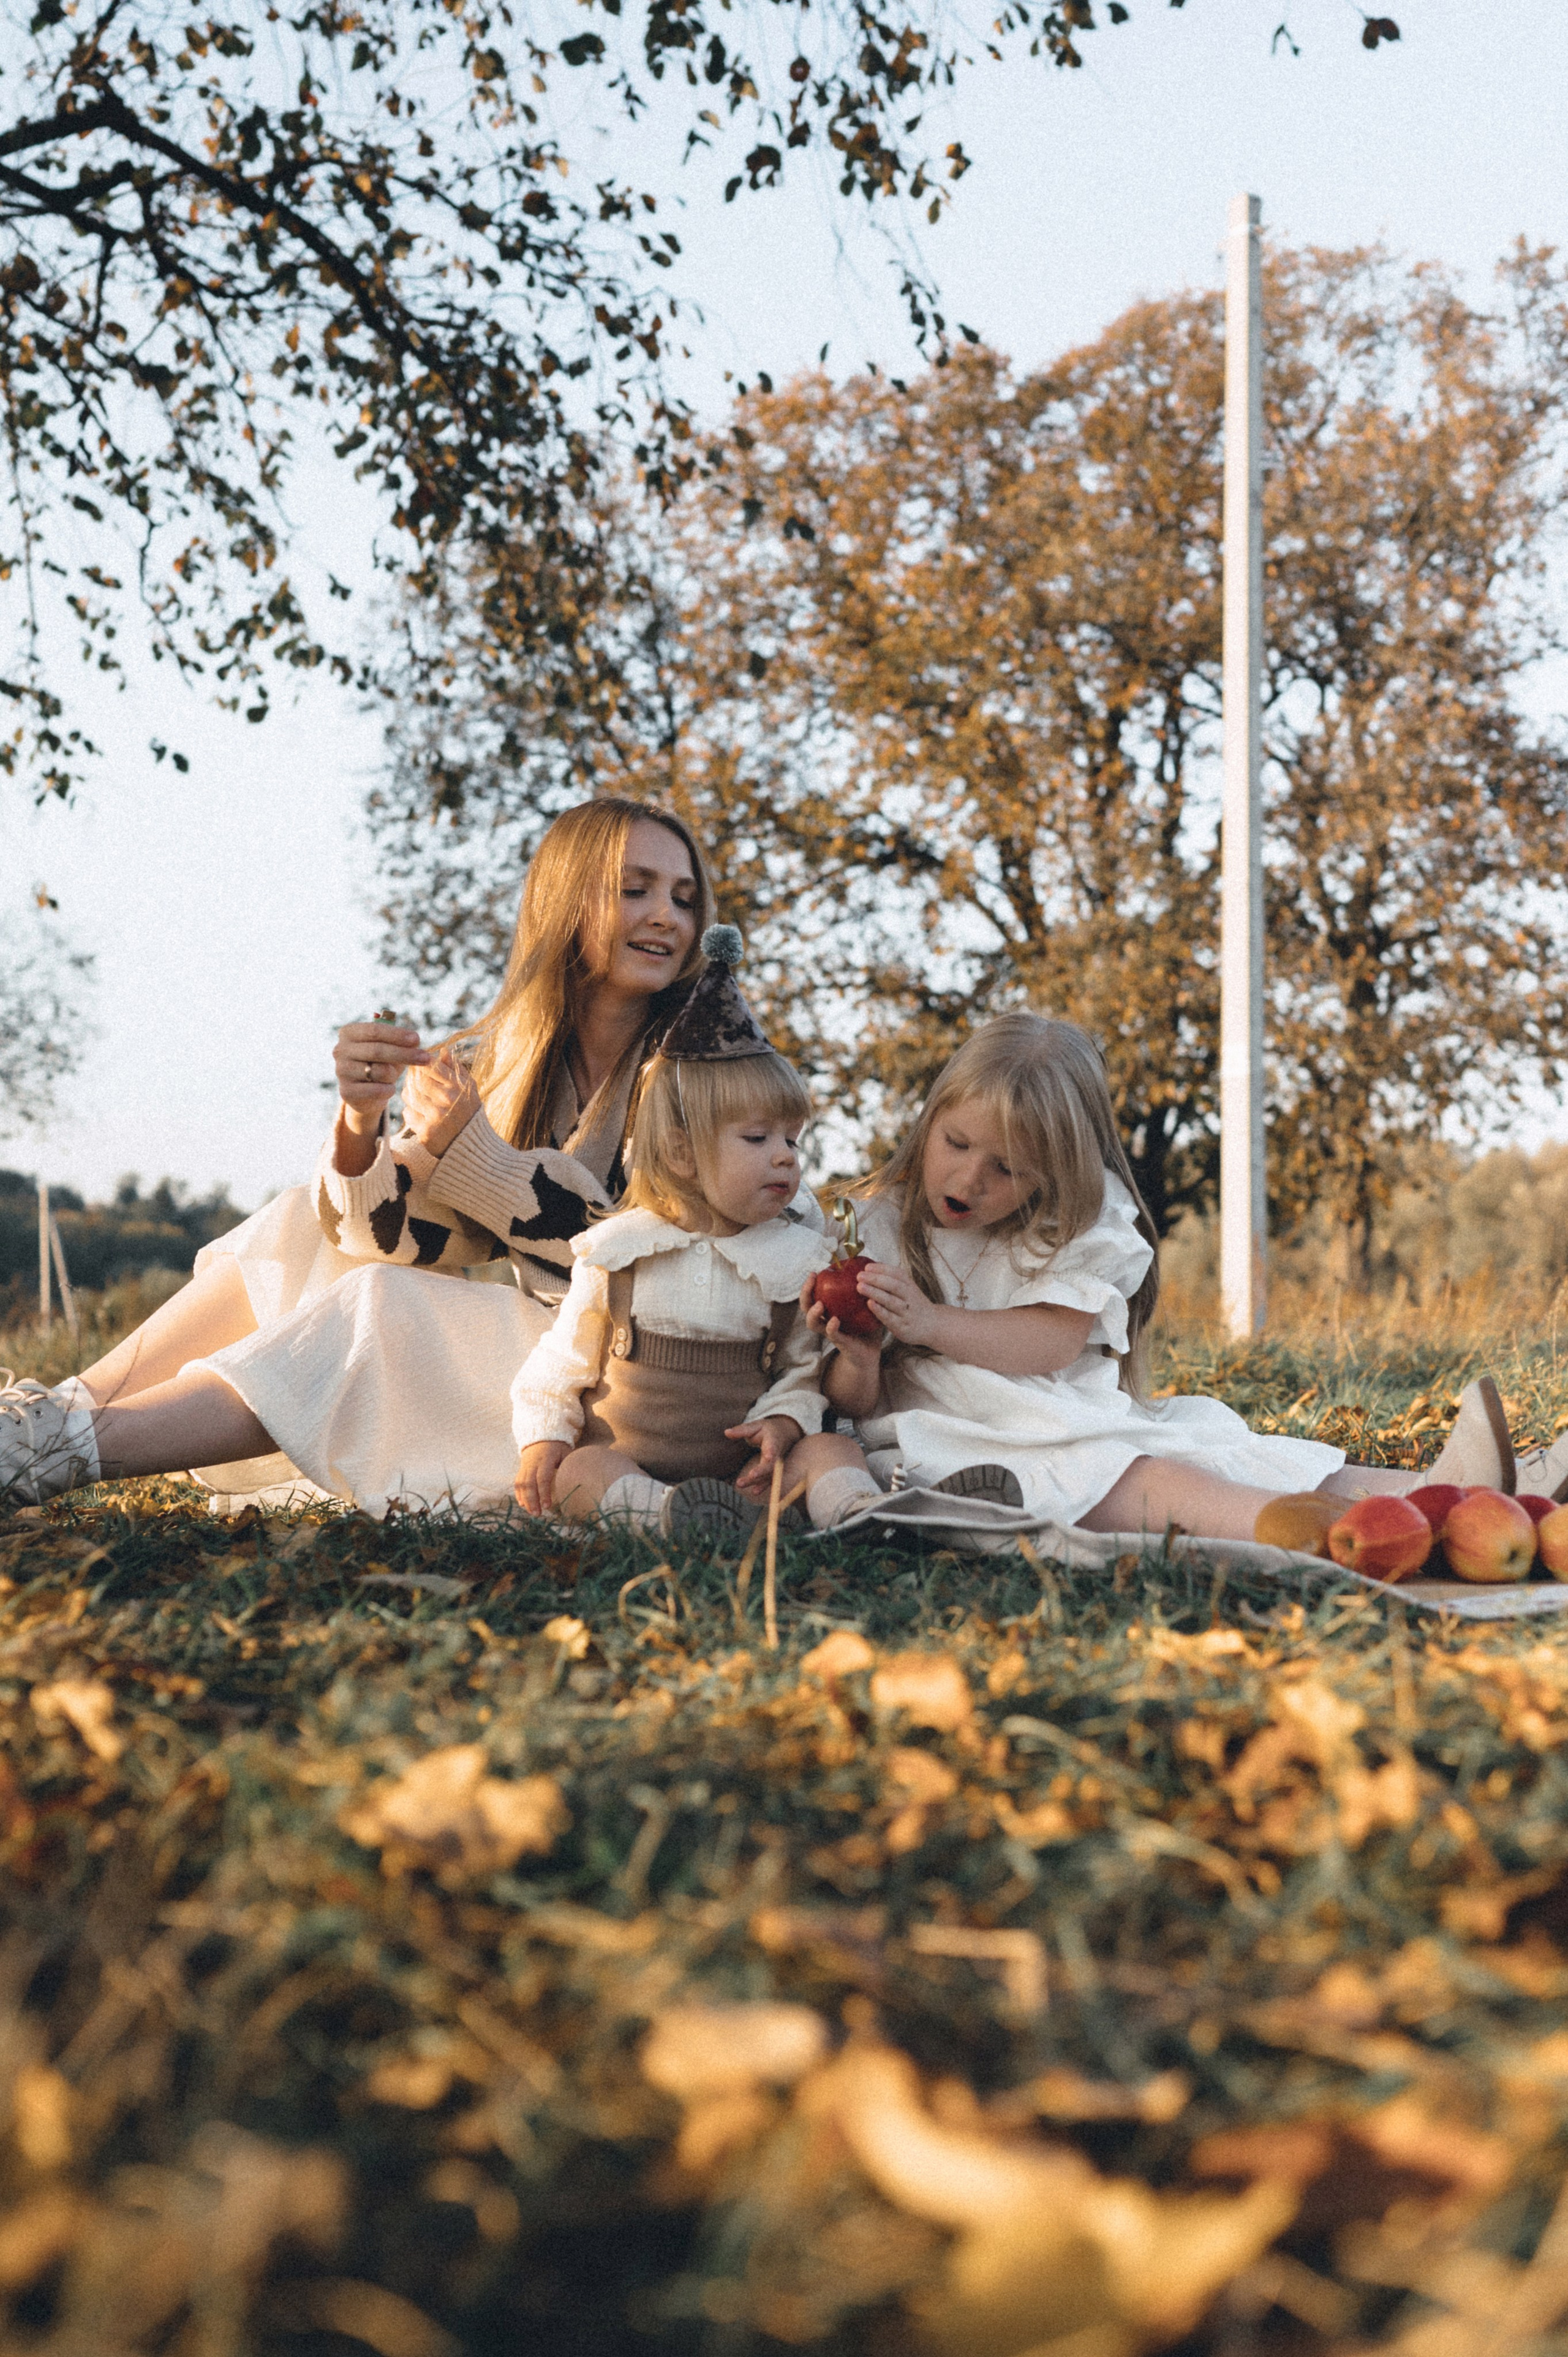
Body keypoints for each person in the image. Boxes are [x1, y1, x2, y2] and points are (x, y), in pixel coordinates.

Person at [1, 799, 826, 1514]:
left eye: (683, 898)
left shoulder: (703, 1065)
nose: (668, 918)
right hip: (563, 1348)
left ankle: (66, 1452)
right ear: (567, 902)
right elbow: (403, 1235)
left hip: (644, 1386)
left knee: (382, 1309)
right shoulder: (523, 1058)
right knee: (297, 1222)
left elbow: (650, 1247)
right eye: (636, 889)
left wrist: (472, 1153)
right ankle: (53, 1417)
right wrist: (364, 1125)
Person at [809, 1012, 1521, 1540]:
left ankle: (1453, 1493)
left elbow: (1052, 1341)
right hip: (957, 1439)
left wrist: (933, 1322)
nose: (970, 1177)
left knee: (1225, 1452)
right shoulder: (873, 1227)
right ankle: (1347, 1534)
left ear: (1056, 1172)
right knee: (1147, 1480)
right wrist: (860, 1355)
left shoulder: (1073, 1224)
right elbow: (853, 1405)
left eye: (1008, 1167)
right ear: (930, 1119)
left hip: (1065, 1417)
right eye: (956, 1143)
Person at [511, 926, 893, 1545]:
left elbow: (799, 1374)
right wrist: (544, 1436)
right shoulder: (620, 1252)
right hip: (631, 1456)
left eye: (792, 1141)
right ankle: (665, 1517)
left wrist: (779, 1427)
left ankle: (858, 1514)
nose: (785, 1159)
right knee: (582, 1471)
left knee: (826, 1447)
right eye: (758, 1138)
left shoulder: (794, 1261)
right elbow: (562, 1361)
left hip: (742, 1475)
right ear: (683, 1153)